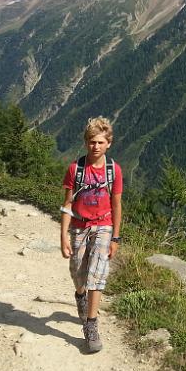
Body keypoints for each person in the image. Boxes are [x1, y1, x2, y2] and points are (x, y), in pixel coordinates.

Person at [60, 116, 123, 353]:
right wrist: (63, 236)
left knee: (97, 274)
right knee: (78, 271)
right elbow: (67, 204)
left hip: (103, 226)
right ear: (86, 142)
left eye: (99, 142)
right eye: (91, 142)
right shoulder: (75, 169)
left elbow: (117, 205)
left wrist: (115, 237)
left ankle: (91, 324)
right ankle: (80, 296)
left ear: (109, 143)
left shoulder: (113, 171)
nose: (95, 146)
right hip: (79, 226)